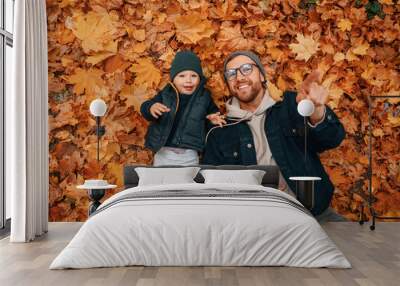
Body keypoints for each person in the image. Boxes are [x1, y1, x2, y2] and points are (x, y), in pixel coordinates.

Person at [202, 51, 346, 220]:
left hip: (313, 213)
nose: (239, 77)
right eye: (231, 73)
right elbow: (213, 188)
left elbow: (332, 139)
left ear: (262, 76)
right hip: (255, 220)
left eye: (247, 69)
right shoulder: (219, 130)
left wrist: (317, 112)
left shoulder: (292, 104)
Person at [141, 50, 226, 166]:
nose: (188, 80)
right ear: (173, 79)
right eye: (182, 76)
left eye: (194, 76)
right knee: (162, 180)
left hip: (189, 152)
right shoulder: (166, 94)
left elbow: (212, 116)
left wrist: (212, 119)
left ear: (199, 79)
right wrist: (151, 108)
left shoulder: (204, 97)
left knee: (188, 180)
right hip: (164, 151)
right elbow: (145, 107)